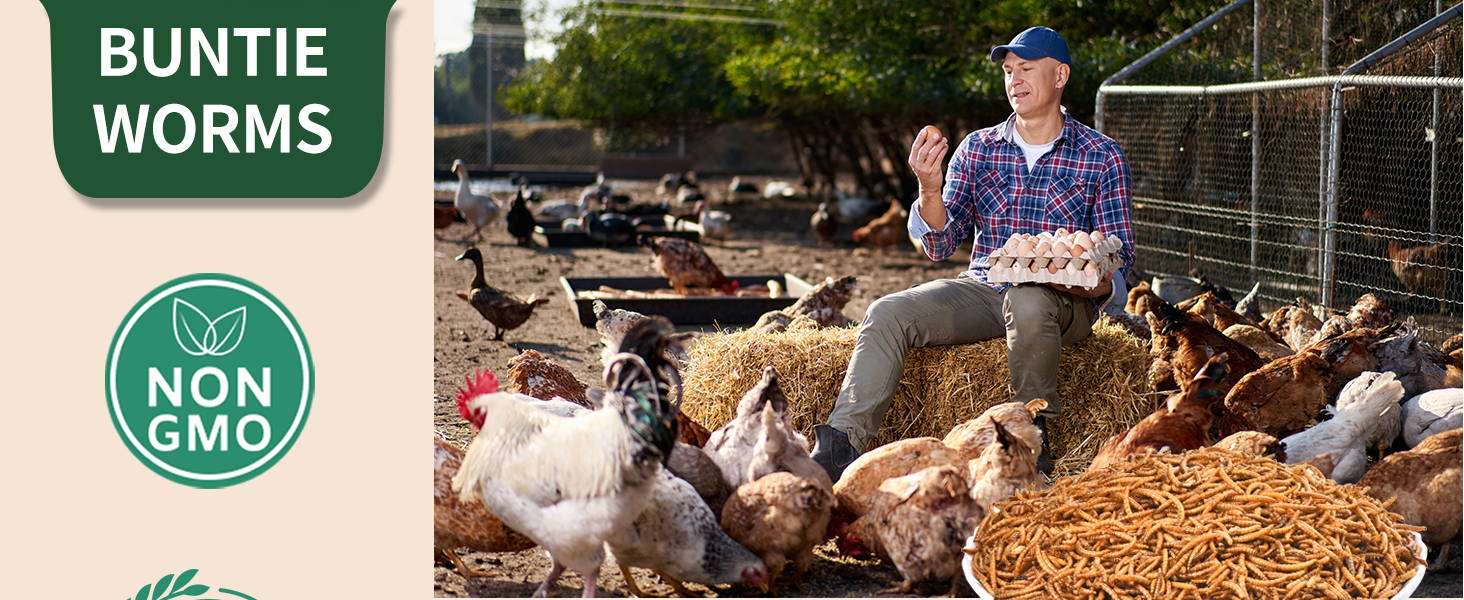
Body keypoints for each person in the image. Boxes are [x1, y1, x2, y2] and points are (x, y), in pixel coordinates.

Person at [810, 26, 1134, 482]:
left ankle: (1030, 440)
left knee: (1028, 297)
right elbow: (940, 244)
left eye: (1026, 68)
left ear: (1060, 76)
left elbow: (1120, 261)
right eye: (1008, 71)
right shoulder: (978, 148)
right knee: (887, 312)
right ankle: (840, 445)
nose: (1014, 80)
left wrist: (1080, 280)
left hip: (1065, 304)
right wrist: (929, 188)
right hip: (985, 289)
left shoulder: (1101, 155)